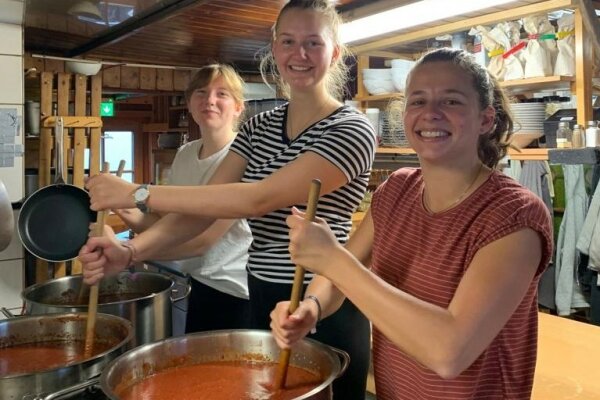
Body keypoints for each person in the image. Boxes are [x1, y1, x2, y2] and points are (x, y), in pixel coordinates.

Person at [78, 1, 377, 398]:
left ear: (334, 52)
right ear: (274, 47)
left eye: (313, 43)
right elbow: (205, 208)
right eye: (288, 41)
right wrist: (131, 252)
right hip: (262, 297)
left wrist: (139, 193)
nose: (299, 54)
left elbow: (257, 199)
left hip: (325, 300)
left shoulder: (351, 129)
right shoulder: (258, 127)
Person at [270, 48, 553, 400]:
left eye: (451, 101)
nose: (430, 114)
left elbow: (449, 352)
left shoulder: (513, 215)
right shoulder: (396, 191)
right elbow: (336, 280)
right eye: (417, 101)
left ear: (485, 120)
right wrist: (310, 308)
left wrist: (333, 259)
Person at [107, 64, 253, 333]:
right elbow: (171, 224)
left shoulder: (244, 156)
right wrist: (127, 210)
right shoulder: (186, 153)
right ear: (189, 103)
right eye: (201, 92)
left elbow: (202, 240)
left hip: (237, 294)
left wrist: (128, 252)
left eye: (222, 94)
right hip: (199, 284)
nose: (209, 100)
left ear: (238, 107)